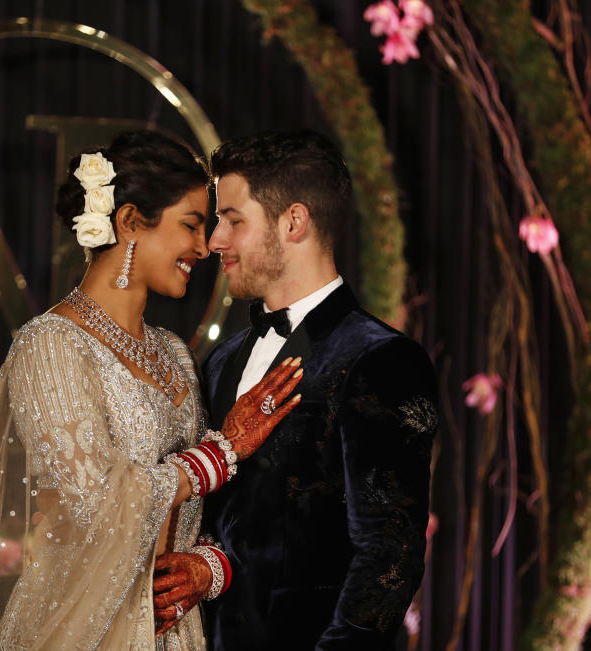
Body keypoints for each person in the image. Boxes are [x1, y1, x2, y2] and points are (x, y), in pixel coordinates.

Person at [0, 131, 303, 650]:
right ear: (128, 222)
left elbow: (202, 514)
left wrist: (207, 566)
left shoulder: (174, 355)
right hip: (82, 628)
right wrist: (224, 450)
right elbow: (98, 502)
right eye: (190, 225)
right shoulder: (51, 346)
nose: (202, 246)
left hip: (173, 632)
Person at [152, 131, 438, 649]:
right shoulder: (219, 362)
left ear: (294, 222)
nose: (215, 241)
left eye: (233, 221)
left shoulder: (382, 359)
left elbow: (388, 557)